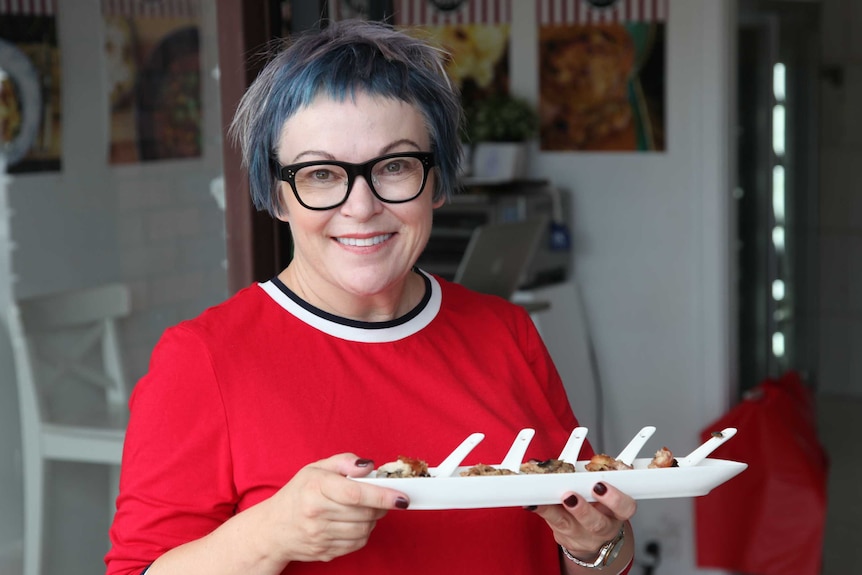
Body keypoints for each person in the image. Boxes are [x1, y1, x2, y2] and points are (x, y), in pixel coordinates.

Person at [105, 19, 637, 575]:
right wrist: (270, 534)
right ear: (279, 196)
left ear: (436, 182)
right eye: (320, 174)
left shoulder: (506, 331)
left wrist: (595, 544)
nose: (360, 207)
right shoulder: (202, 359)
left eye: (396, 165)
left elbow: (592, 555)